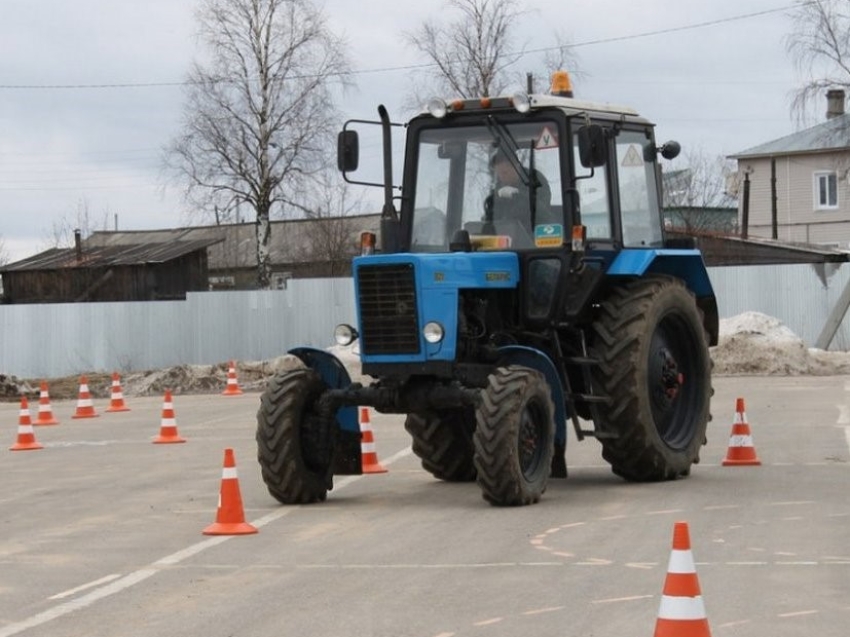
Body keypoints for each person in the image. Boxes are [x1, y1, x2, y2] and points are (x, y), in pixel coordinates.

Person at [484, 148, 554, 238]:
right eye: (499, 174)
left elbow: (541, 211)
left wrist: (518, 196)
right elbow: (495, 216)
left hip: (537, 236)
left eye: (504, 172)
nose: (501, 177)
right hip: (507, 237)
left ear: (515, 166)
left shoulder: (536, 181)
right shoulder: (499, 188)